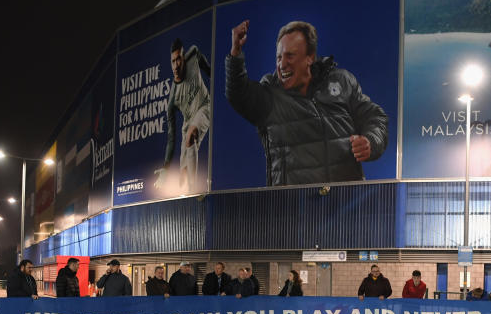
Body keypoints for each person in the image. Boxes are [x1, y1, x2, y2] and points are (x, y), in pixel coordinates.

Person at [226, 20, 388, 186]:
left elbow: (375, 118)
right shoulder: (270, 94)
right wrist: (235, 53)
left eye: (290, 56)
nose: (282, 64)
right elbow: (239, 95)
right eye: (279, 57)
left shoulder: (342, 81)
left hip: (346, 204)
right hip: (294, 206)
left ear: (310, 57)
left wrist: (370, 141)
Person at [155, 38, 212, 192]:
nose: (176, 65)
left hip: (205, 106)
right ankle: (189, 194)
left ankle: (195, 190)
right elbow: (171, 137)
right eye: (173, 61)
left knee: (190, 136)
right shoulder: (172, 99)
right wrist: (166, 167)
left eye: (179, 59)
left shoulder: (192, 54)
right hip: (187, 122)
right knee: (182, 178)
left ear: (183, 55)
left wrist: (213, 75)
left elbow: (205, 64)